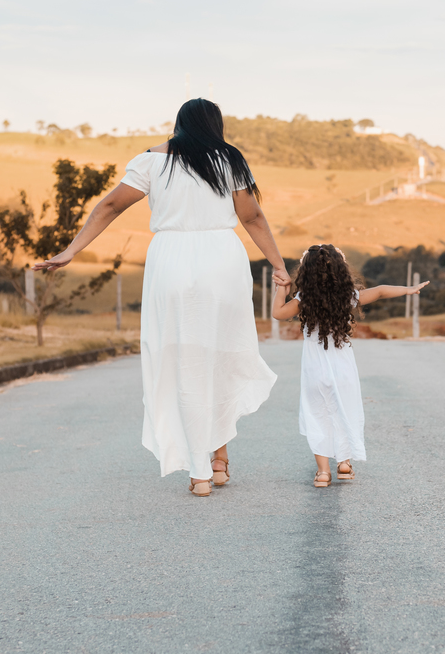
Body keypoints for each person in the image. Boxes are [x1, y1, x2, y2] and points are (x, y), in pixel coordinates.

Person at [33, 99, 291, 497]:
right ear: (215, 125)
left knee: (181, 359)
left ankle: (200, 472)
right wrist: (278, 264)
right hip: (222, 260)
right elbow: (252, 217)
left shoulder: (152, 161)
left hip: (171, 262)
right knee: (219, 354)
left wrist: (72, 250)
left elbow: (110, 206)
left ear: (180, 124)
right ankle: (219, 459)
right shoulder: (230, 160)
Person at [271, 244, 428, 487]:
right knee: (343, 410)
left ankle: (323, 473)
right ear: (340, 270)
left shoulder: (304, 299)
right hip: (343, 369)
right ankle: (344, 463)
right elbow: (380, 292)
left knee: (318, 416)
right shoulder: (349, 296)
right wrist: (409, 289)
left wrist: (282, 288)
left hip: (314, 370)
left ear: (307, 273)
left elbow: (278, 313)